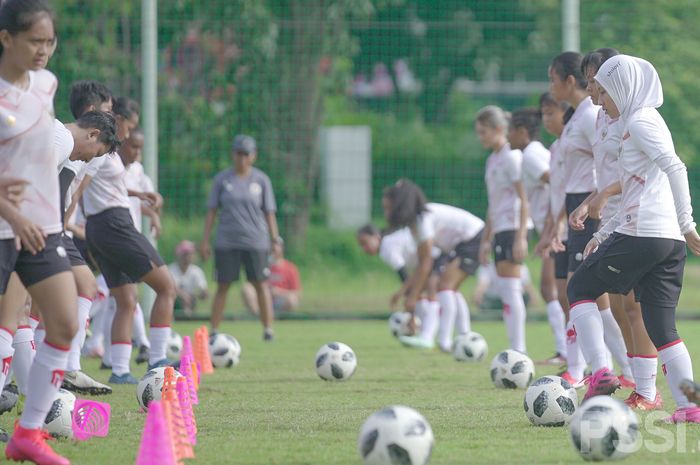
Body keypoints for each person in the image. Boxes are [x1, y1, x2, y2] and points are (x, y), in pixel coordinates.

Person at [567, 55, 700, 423]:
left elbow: (675, 166)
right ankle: (691, 407)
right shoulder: (636, 122)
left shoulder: (640, 122)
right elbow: (635, 188)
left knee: (579, 289)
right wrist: (605, 233)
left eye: (605, 91)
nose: (602, 98)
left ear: (624, 89)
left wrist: (687, 222)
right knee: (662, 328)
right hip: (663, 240)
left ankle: (599, 372)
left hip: (646, 233)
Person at [0, 1, 78, 463]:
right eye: (34, 41)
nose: (44, 50)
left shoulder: (47, 85)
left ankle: (27, 434)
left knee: (65, 323)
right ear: (6, 38)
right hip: (7, 226)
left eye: (50, 42)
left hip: (40, 228)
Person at [569, 48, 659, 408]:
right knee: (622, 308)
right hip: (610, 219)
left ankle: (639, 385)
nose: (591, 89)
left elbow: (646, 172)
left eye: (596, 81)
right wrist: (589, 201)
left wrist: (604, 196)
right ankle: (632, 379)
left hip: (634, 220)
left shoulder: (632, 118)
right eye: (590, 81)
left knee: (634, 307)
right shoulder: (605, 117)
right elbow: (609, 174)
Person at [68, 96, 176, 384]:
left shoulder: (107, 152)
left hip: (100, 227)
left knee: (126, 300)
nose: (130, 132)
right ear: (119, 119)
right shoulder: (102, 150)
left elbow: (102, 186)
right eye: (130, 125)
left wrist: (137, 195)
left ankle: (119, 370)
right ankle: (158, 359)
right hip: (113, 225)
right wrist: (63, 218)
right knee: (167, 286)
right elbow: (80, 185)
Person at [544, 51, 629, 387]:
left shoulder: (591, 115)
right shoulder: (578, 118)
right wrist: (557, 221)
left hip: (591, 205)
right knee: (580, 293)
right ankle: (607, 369)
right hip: (576, 205)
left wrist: (598, 203)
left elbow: (604, 166)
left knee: (585, 293)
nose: (550, 87)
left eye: (553, 79)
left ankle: (591, 370)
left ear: (569, 81)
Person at [380, 181, 485, 352]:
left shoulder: (422, 220)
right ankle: (465, 336)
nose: (386, 213)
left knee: (445, 286)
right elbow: (422, 265)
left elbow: (426, 262)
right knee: (450, 289)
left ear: (400, 206)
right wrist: (410, 294)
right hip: (460, 244)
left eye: (388, 208)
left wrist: (413, 296)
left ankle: (444, 341)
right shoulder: (414, 225)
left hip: (473, 238)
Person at [200, 135, 281, 341]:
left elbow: (269, 212)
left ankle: (268, 329)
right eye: (238, 154)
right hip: (227, 241)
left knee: (260, 284)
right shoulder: (222, 180)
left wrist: (275, 240)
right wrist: (205, 240)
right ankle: (214, 330)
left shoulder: (261, 180)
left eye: (246, 154)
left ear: (253, 156)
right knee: (223, 285)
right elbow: (211, 211)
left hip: (256, 241)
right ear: (233, 155)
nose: (242, 159)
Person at [507, 107, 566, 364]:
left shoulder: (530, 156)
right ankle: (566, 350)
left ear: (521, 132)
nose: (507, 136)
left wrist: (554, 225)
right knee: (552, 290)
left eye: (510, 130)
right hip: (552, 228)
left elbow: (558, 182)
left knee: (552, 290)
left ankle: (567, 350)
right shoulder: (531, 154)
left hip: (557, 229)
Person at [476, 105, 529, 354]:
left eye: (483, 132)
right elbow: (493, 202)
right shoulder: (492, 159)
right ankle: (514, 348)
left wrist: (521, 236)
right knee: (507, 290)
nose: (481, 137)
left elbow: (523, 197)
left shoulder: (512, 157)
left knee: (511, 288)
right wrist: (486, 239)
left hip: (512, 228)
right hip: (499, 229)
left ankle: (518, 350)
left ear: (499, 129)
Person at [356, 224, 443, 345]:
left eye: (365, 243)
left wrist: (403, 298)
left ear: (376, 236)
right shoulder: (389, 243)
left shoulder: (387, 247)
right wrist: (402, 294)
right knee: (435, 294)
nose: (364, 248)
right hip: (435, 255)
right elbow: (410, 278)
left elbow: (404, 276)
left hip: (436, 256)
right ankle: (432, 334)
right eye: (361, 246)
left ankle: (427, 336)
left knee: (431, 294)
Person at [242, 241, 300, 314]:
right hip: (263, 298)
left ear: (282, 248)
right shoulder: (262, 265)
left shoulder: (290, 268)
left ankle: (280, 317)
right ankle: (258, 315)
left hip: (279, 300)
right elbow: (253, 284)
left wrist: (278, 292)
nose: (273, 249)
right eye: (271, 246)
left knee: (292, 299)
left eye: (276, 246)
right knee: (247, 288)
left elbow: (296, 293)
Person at [169, 240, 208, 316]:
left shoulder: (196, 271)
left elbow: (203, 289)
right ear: (178, 255)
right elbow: (171, 288)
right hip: (175, 303)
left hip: (190, 301)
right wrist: (183, 295)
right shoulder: (171, 270)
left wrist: (203, 293)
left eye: (189, 254)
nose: (187, 257)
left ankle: (189, 315)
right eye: (184, 254)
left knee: (191, 298)